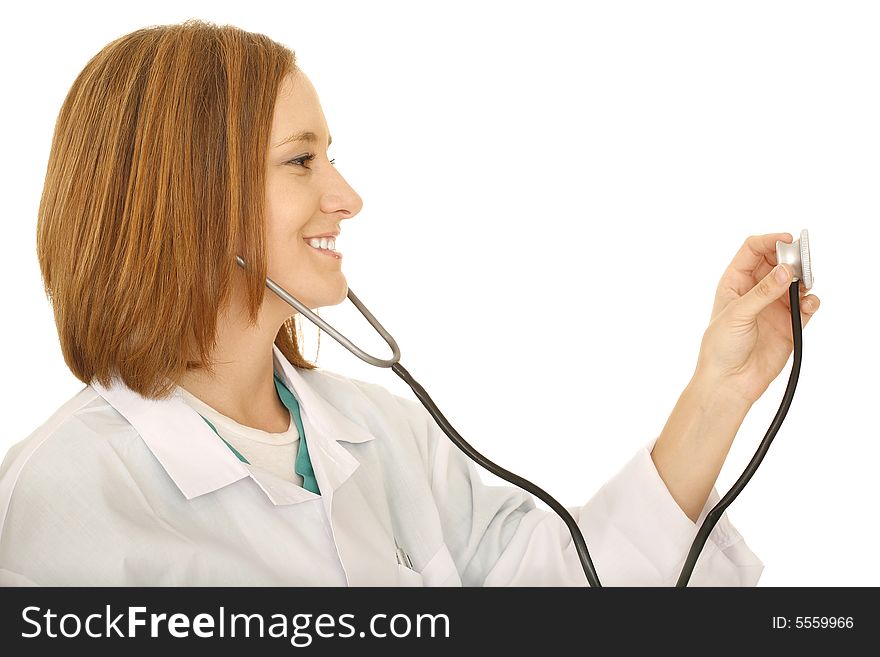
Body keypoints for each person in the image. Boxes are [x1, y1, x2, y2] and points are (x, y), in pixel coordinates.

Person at [0, 20, 820, 587]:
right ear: (189, 198)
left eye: (332, 158)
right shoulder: (66, 494)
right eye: (301, 161)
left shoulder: (378, 432)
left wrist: (719, 389)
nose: (347, 197)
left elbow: (560, 590)